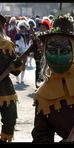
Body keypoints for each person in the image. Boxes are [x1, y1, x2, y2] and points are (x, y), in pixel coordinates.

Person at [0, 14, 22, 143]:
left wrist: (17, 64)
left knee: (10, 118)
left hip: (5, 89)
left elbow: (16, 71)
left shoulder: (7, 44)